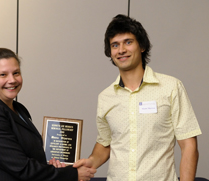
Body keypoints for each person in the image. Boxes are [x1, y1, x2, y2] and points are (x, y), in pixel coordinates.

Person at [73, 14, 202, 181]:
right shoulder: (105, 97)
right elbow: (105, 143)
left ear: (142, 46)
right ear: (110, 52)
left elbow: (189, 145)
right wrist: (91, 162)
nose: (121, 50)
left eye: (128, 42)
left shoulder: (171, 87)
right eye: (115, 45)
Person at [0, 48, 96, 181]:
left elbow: (23, 158)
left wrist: (48, 167)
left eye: (16, 73)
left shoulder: (18, 109)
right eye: (3, 75)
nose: (12, 80)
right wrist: (73, 174)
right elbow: (22, 168)